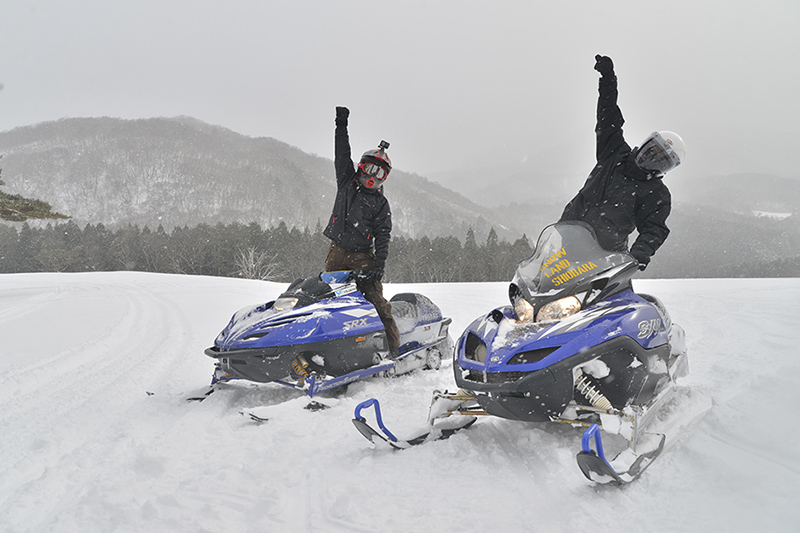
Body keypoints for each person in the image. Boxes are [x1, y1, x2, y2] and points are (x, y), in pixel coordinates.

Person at [559, 55, 686, 270]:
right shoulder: (614, 152)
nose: (652, 158)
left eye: (661, 160)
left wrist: (641, 252)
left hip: (606, 257)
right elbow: (608, 115)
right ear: (645, 144)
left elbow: (654, 227)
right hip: (566, 237)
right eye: (652, 151)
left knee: (606, 302)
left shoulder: (656, 192)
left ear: (666, 168)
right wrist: (608, 79)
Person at [323, 106, 400, 357]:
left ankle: (393, 352)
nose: (373, 176)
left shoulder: (381, 204)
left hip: (363, 259)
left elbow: (383, 236)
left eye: (380, 173)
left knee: (377, 304)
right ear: (361, 167)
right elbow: (341, 153)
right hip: (336, 254)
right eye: (370, 169)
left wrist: (379, 265)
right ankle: (331, 350)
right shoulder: (347, 181)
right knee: (329, 302)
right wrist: (341, 125)